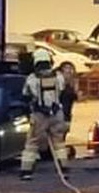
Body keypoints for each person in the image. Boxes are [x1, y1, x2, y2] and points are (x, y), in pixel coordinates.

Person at [19, 49, 67, 181]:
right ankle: (64, 169)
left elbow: (26, 93)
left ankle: (26, 171)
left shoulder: (32, 78)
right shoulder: (58, 76)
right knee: (59, 142)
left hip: (39, 115)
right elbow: (62, 89)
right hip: (57, 113)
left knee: (32, 143)